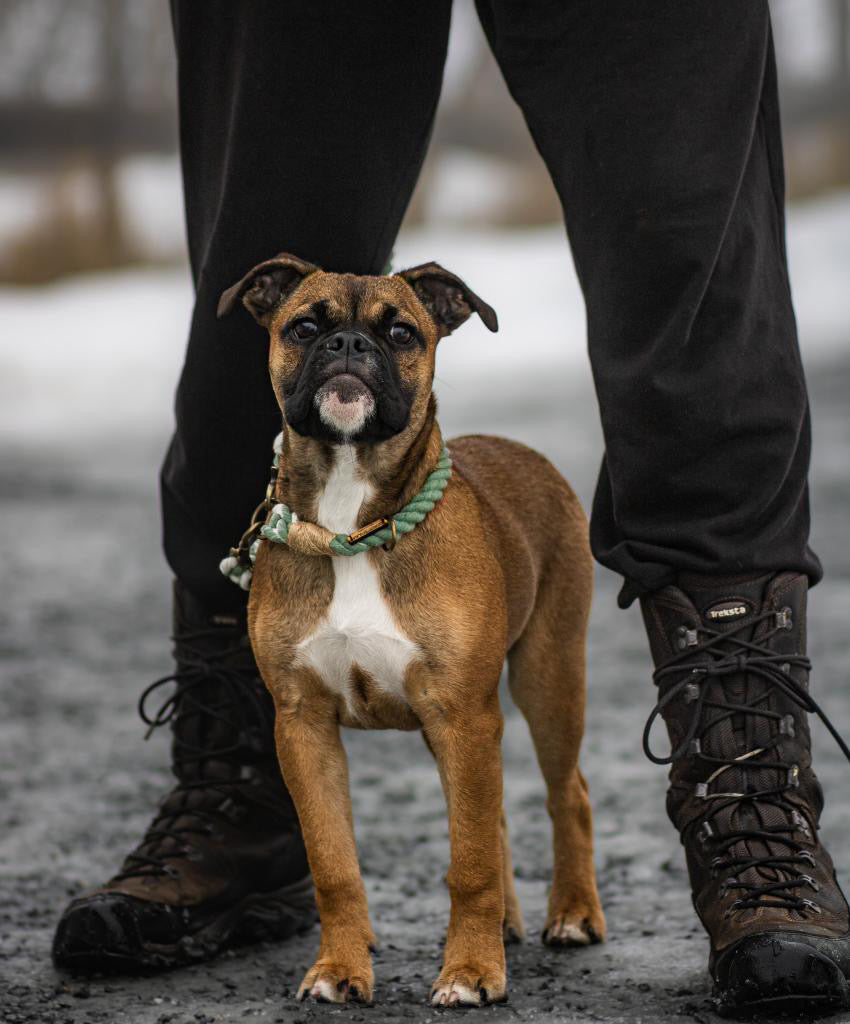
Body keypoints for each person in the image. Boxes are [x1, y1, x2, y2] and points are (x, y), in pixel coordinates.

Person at [52, 2, 850, 1013]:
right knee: (268, 180)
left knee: (685, 216)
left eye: (392, 338)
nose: (350, 353)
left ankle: (747, 782)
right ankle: (238, 786)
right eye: (313, 334)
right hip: (296, 547)